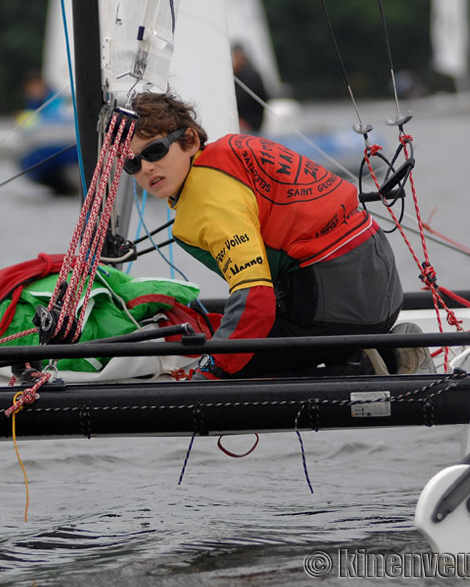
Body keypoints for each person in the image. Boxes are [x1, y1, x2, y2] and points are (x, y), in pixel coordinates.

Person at [126, 92, 408, 378]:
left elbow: (256, 297)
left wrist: (212, 370)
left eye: (155, 150)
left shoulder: (207, 201)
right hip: (381, 282)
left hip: (335, 303)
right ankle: (371, 355)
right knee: (229, 335)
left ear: (189, 140)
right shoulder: (230, 149)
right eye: (132, 163)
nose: (145, 168)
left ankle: (363, 365)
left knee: (221, 362)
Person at [231, 44, 268, 133]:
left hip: (250, 124)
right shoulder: (242, 74)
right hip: (248, 122)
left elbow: (241, 99)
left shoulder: (251, 76)